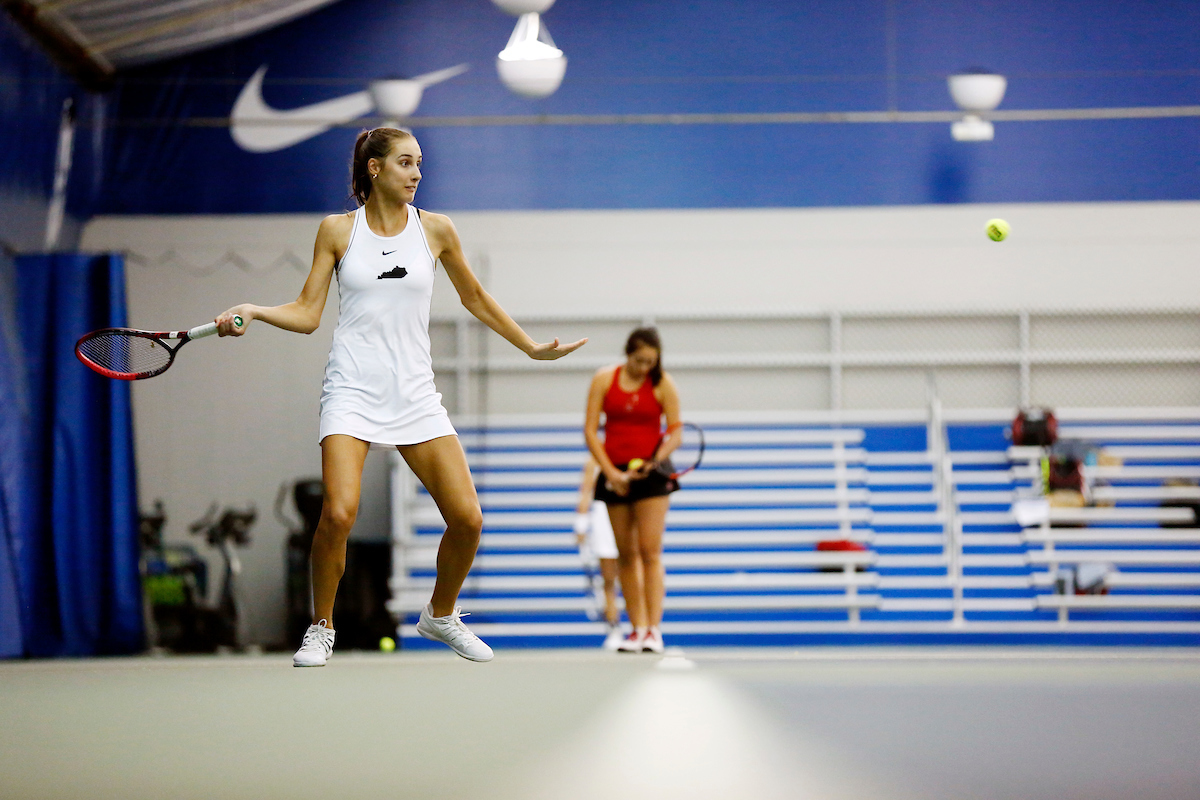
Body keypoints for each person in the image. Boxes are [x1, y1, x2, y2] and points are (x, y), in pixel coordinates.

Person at [215, 127, 586, 666]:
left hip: (414, 393)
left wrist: (529, 346)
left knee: (468, 519)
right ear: (374, 168)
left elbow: (475, 297)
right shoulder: (337, 232)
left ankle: (440, 614)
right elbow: (307, 312)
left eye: (419, 164)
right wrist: (256, 310)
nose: (417, 173)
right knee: (338, 514)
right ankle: (321, 626)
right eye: (406, 163)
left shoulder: (435, 230)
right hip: (352, 389)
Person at [583, 328, 682, 654]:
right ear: (628, 354)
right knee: (625, 555)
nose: (644, 368)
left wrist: (653, 462)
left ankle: (654, 630)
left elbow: (676, 432)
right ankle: (636, 630)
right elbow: (590, 430)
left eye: (651, 362)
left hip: (652, 476)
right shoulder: (603, 380)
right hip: (615, 477)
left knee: (650, 552)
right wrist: (611, 472)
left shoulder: (662, 383)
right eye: (639, 360)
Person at [573, 456, 624, 650]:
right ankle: (614, 629)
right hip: (603, 520)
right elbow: (586, 491)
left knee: (632, 575)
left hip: (627, 516)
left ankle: (642, 628)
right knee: (609, 579)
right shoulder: (594, 462)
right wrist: (581, 523)